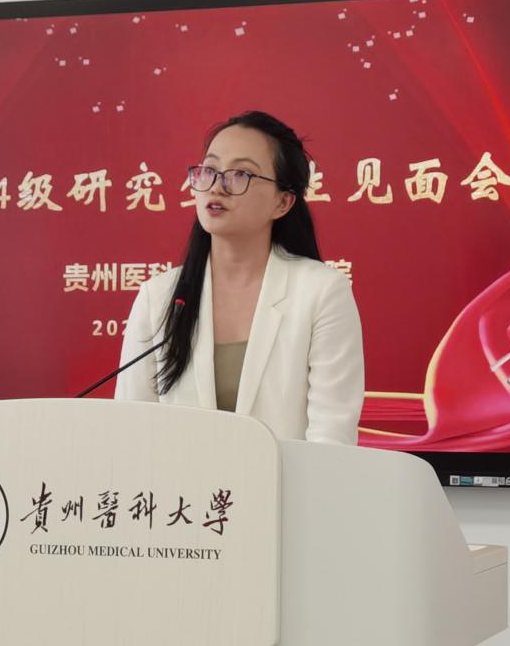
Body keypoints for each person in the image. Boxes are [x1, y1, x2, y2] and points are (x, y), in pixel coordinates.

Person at [115, 111, 364, 444]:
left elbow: (331, 439)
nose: (217, 186)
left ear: (283, 202)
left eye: (240, 174)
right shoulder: (159, 296)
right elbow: (131, 430)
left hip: (289, 479)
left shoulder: (321, 292)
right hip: (179, 480)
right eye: (210, 170)